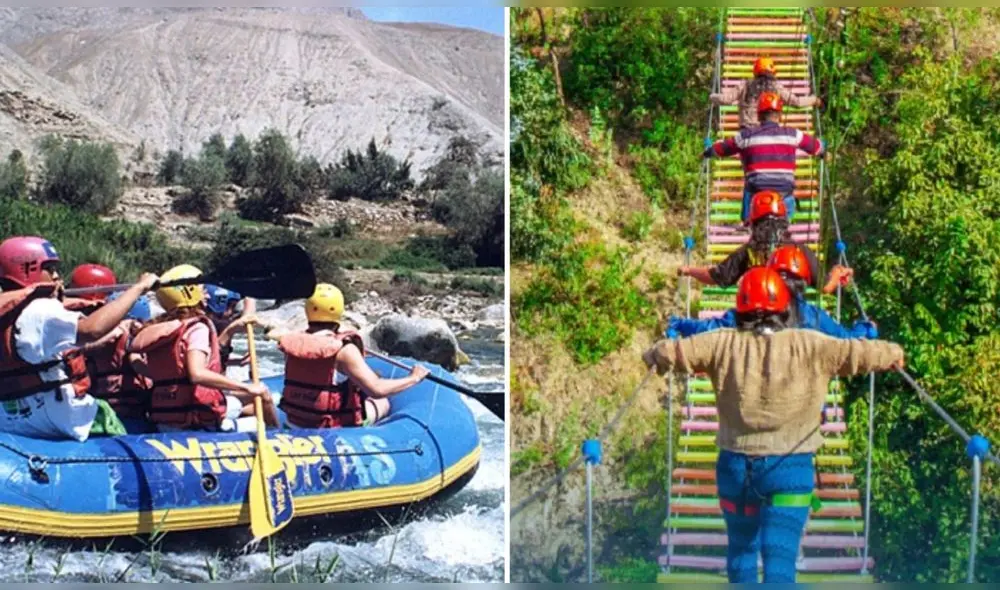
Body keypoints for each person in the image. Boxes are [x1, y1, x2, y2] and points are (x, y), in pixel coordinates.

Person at [642, 267, 904, 583]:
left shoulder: (720, 343)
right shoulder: (813, 344)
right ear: (784, 307)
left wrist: (653, 354)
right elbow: (860, 352)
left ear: (739, 307)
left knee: (740, 558)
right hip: (791, 470)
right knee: (780, 567)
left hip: (735, 470)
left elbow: (671, 352)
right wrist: (893, 354)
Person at [0, 236, 157, 441]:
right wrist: (138, 288)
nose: (57, 276)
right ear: (28, 269)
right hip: (59, 417)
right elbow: (92, 331)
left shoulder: (10, 312)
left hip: (14, 419)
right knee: (106, 415)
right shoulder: (38, 309)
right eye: (50, 268)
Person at [128, 264, 277, 433]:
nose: (206, 293)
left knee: (240, 405)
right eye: (202, 288)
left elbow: (152, 366)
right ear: (189, 293)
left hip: (166, 419)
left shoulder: (163, 328)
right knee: (262, 399)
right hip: (197, 421)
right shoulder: (197, 328)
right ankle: (281, 440)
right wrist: (246, 387)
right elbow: (196, 374)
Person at [277, 283, 430, 428]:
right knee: (383, 402)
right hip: (329, 428)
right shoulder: (344, 350)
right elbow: (377, 390)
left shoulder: (294, 345)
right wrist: (414, 378)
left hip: (295, 423)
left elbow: (317, 376)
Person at [667, 245, 876, 339]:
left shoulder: (746, 314)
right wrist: (865, 328)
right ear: (803, 281)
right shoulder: (813, 317)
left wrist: (678, 324)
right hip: (803, 414)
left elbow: (708, 328)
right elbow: (848, 340)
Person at [678, 191, 853, 294]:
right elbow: (825, 286)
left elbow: (716, 276)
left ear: (753, 223)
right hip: (794, 318)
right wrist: (837, 273)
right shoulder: (801, 251)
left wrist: (689, 270)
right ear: (784, 221)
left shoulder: (748, 252)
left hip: (756, 316)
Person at [704, 91, 824, 223]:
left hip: (756, 195)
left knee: (749, 206)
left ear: (759, 116)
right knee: (785, 222)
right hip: (784, 195)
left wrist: (708, 152)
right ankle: (784, 231)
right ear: (779, 115)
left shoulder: (745, 135)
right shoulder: (793, 134)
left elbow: (723, 149)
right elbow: (816, 147)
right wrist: (824, 152)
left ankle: (747, 223)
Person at [79, 290, 155, 433]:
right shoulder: (130, 336)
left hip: (104, 412)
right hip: (132, 416)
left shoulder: (97, 339)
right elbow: (135, 362)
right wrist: (165, 375)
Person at [710, 56, 821, 130]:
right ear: (772, 71)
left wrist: (711, 97)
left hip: (746, 128)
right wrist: (814, 100)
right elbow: (797, 102)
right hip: (767, 128)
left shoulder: (745, 84)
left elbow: (726, 99)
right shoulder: (776, 86)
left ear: (755, 71)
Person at [204, 284, 259, 367]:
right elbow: (204, 362)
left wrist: (239, 362)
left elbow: (219, 360)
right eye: (229, 306)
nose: (230, 312)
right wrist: (230, 330)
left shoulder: (221, 325)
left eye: (233, 306)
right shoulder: (203, 328)